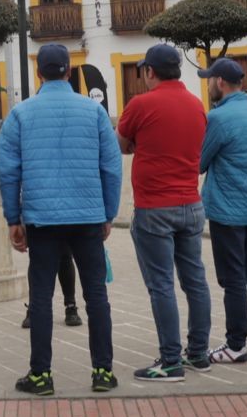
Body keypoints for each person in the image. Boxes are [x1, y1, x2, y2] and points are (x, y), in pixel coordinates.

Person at [0, 43, 123, 396]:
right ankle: (102, 372)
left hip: (42, 218)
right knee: (96, 295)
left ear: (39, 73)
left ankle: (41, 376)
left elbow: (8, 170)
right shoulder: (94, 112)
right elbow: (111, 167)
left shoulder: (20, 114)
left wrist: (13, 218)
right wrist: (108, 213)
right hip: (87, 216)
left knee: (40, 297)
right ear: (70, 71)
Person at [118, 43, 212, 380]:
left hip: (155, 208)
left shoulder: (140, 104)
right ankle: (199, 353)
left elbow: (123, 144)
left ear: (149, 71)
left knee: (161, 285)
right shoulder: (196, 104)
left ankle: (171, 360)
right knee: (196, 282)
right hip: (191, 204)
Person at [197, 58, 247, 364]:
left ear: (219, 83)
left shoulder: (218, 118)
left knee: (234, 279)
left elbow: (199, 162)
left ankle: (236, 344)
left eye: (208, 79)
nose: (207, 84)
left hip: (229, 212)